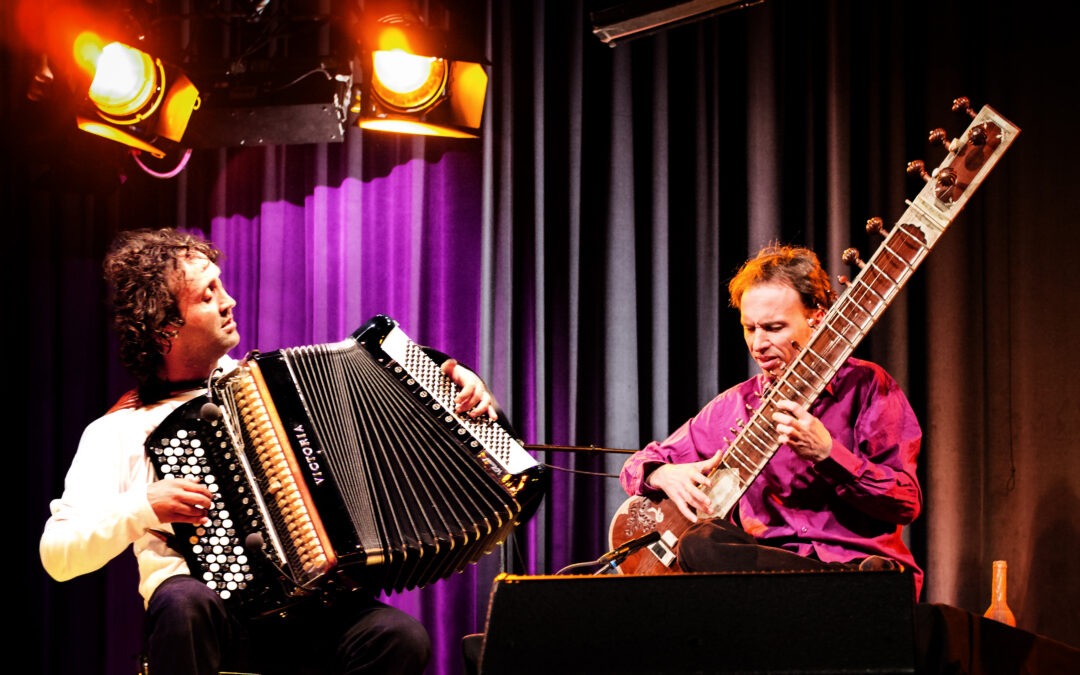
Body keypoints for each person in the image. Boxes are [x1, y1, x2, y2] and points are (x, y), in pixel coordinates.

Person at [40, 227, 503, 675]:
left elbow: (385, 413)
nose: (228, 301)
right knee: (183, 601)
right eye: (207, 295)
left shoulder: (275, 390)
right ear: (165, 330)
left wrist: (450, 388)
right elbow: (58, 557)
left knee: (398, 636)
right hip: (213, 626)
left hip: (309, 614)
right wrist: (142, 507)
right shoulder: (120, 429)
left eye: (220, 286)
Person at [619, 243, 924, 598]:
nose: (758, 344)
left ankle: (850, 589)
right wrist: (661, 473)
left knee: (871, 578)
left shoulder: (868, 386)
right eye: (750, 328)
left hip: (856, 565)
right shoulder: (734, 405)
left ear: (819, 317)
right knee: (702, 543)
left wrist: (831, 455)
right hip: (771, 573)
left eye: (774, 327)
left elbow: (906, 501)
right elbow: (637, 464)